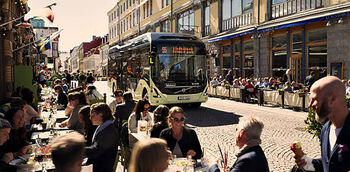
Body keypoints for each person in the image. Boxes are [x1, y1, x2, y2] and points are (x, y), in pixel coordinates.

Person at [293, 76, 350, 172]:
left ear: (332, 99)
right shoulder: (325, 129)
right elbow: (328, 163)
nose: (310, 105)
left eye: (314, 99)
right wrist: (308, 162)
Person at [85, 103, 119, 172]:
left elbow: (95, 151)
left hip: (100, 168)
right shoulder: (104, 127)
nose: (90, 118)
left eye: (92, 116)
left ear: (101, 115)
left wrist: (77, 150)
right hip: (98, 164)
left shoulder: (109, 131)